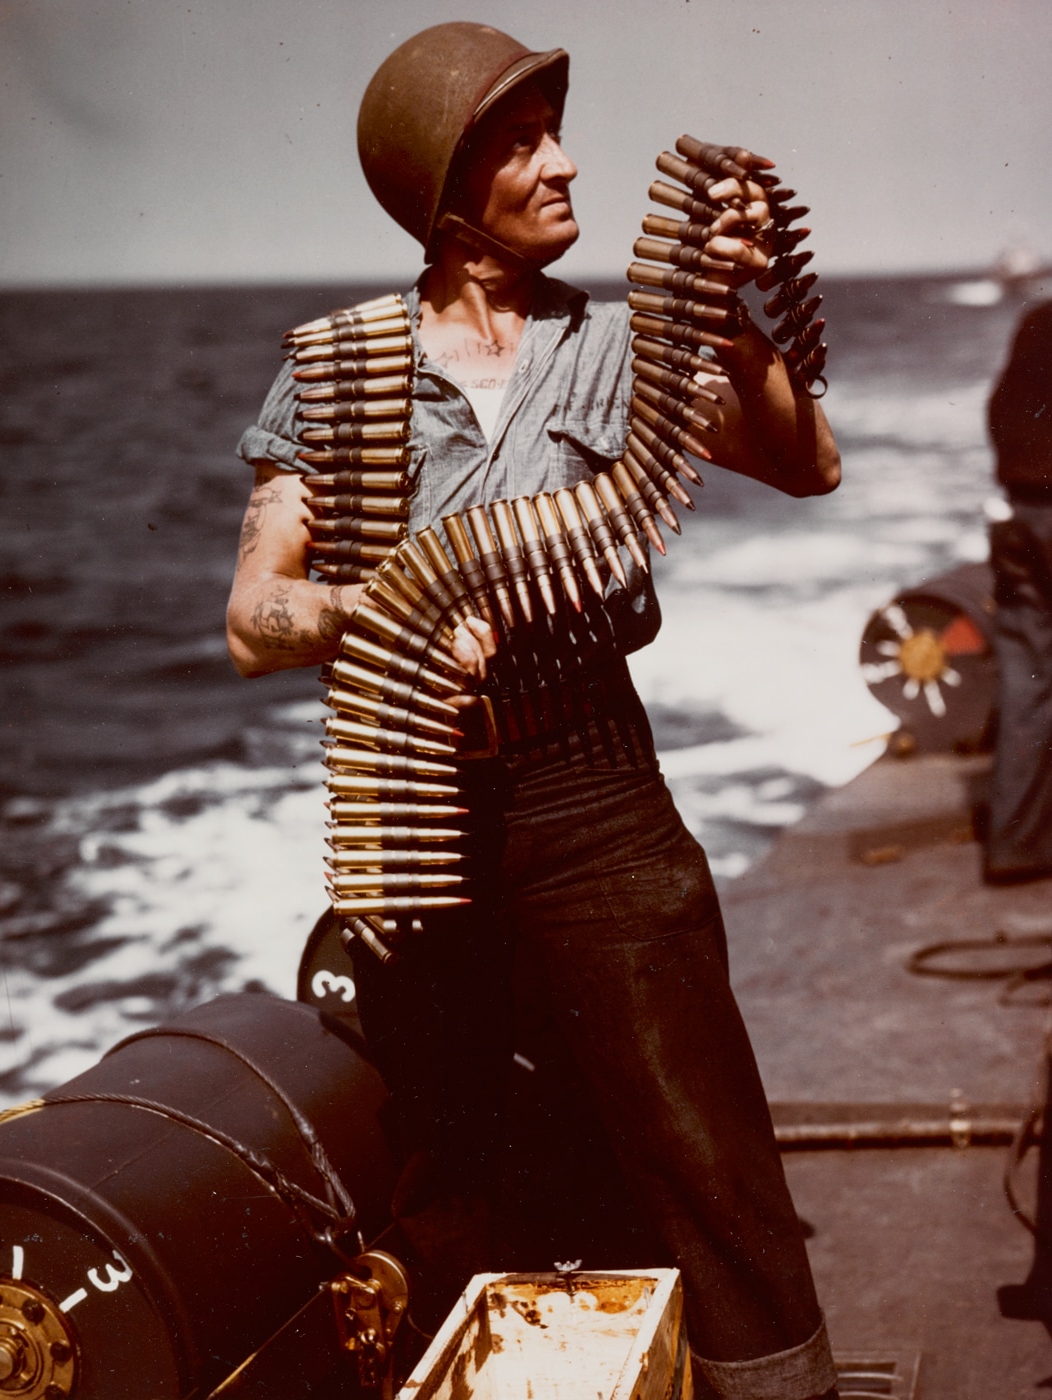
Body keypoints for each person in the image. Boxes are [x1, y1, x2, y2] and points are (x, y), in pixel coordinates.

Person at [227, 22, 841, 1399]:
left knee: (701, 1149)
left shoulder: (627, 346)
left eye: (555, 131)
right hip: (420, 795)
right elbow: (253, 611)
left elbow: (809, 465)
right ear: (443, 198)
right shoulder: (336, 373)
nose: (563, 164)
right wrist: (373, 615)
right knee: (460, 1159)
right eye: (518, 144)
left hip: (589, 785)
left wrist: (737, 318)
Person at [983, 300, 1052, 885]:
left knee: (1027, 681)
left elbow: (998, 411)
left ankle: (1015, 844)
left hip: (1015, 518)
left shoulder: (1035, 321)